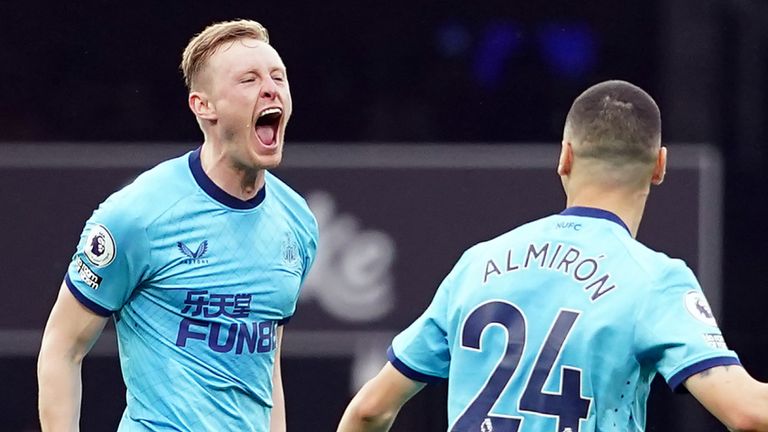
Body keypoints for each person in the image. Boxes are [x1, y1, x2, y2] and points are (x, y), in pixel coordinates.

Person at [337, 80, 768, 432]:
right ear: (659, 166)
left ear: (565, 157)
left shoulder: (477, 264)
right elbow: (747, 412)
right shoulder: (655, 280)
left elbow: (370, 410)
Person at [37, 19, 318, 431]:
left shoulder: (297, 222)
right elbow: (62, 348)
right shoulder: (137, 216)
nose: (271, 89)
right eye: (249, 79)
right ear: (203, 106)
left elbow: (266, 367)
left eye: (278, 77)